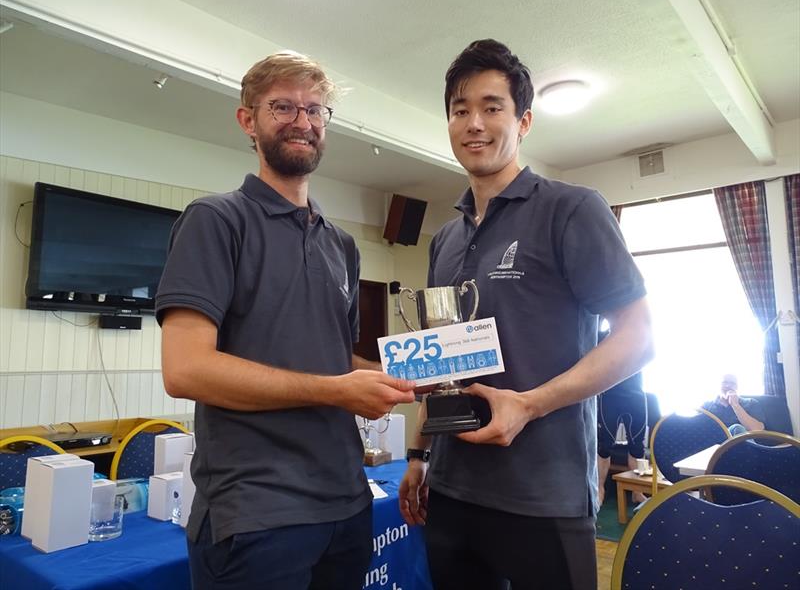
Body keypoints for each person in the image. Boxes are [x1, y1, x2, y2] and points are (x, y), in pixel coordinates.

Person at [398, 39, 653, 590]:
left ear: (525, 120)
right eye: (460, 110)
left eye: (493, 107)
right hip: (451, 491)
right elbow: (443, 358)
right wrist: (418, 456)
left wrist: (528, 405)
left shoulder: (572, 208)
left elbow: (639, 338)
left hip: (544, 496)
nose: (475, 123)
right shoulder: (444, 238)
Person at [156, 51, 415, 590]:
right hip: (256, 512)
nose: (304, 121)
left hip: (346, 502)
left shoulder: (341, 245)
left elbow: (334, 358)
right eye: (284, 107)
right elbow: (186, 370)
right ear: (247, 120)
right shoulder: (215, 220)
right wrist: (336, 391)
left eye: (316, 110)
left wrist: (409, 372)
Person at [597, 371, 648, 504]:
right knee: (604, 446)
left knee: (637, 447)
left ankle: (637, 492)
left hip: (636, 395)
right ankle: (599, 490)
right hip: (609, 394)